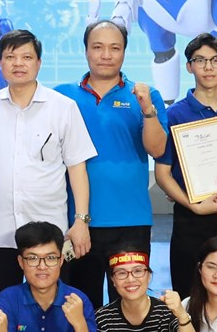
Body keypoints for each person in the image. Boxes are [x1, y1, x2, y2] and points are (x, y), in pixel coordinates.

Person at [0, 30, 97, 291]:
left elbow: (77, 167)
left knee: (53, 304)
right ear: (0, 63)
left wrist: (81, 221)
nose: (18, 64)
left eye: (27, 57)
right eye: (10, 57)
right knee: (1, 304)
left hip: (50, 234)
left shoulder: (63, 107)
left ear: (39, 63)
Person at [57, 20, 163, 305]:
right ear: (86, 51)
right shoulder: (61, 96)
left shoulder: (145, 95)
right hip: (77, 222)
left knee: (129, 305)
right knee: (80, 306)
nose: (106, 55)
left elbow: (157, 149)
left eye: (114, 48)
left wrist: (148, 111)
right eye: (98, 47)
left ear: (125, 52)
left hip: (131, 221)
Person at [151, 33, 217, 297]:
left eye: (216, 60)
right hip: (191, 216)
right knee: (189, 291)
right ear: (189, 66)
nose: (208, 67)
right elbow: (162, 173)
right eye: (200, 60)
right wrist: (193, 205)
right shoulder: (174, 114)